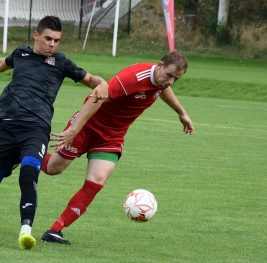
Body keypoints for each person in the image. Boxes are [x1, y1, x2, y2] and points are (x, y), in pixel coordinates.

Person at [0, 15, 109, 250]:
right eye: (48, 39)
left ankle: (26, 231)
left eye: (57, 40)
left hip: (36, 129)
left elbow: (91, 79)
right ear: (36, 35)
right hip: (7, 128)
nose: (52, 44)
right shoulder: (21, 54)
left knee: (28, 173)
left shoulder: (61, 63)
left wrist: (103, 83)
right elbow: (0, 64)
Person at [40, 50, 194, 245]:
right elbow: (97, 96)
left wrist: (181, 112)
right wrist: (75, 129)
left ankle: (55, 230)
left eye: (176, 79)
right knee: (53, 169)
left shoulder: (161, 79)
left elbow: (162, 88)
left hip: (112, 137)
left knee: (97, 180)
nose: (171, 82)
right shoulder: (131, 78)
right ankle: (26, 151)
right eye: (170, 75)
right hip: (88, 126)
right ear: (160, 65)